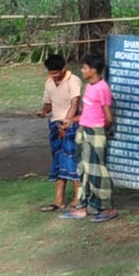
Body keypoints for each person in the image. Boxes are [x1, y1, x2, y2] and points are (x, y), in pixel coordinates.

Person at [69, 50, 115, 221]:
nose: (82, 70)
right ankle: (85, 206)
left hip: (95, 131)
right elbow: (88, 112)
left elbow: (108, 117)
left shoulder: (102, 88)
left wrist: (101, 130)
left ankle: (106, 207)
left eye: (84, 68)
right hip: (84, 129)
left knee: (97, 171)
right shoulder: (89, 87)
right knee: (83, 169)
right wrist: (73, 120)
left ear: (93, 70)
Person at [38, 53, 84, 213]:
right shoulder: (49, 82)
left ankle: (79, 198)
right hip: (55, 125)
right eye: (51, 73)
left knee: (72, 160)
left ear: (64, 68)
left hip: (70, 125)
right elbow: (49, 104)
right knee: (57, 161)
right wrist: (43, 111)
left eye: (57, 73)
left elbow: (75, 103)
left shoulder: (74, 81)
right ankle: (58, 201)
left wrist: (66, 123)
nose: (54, 77)